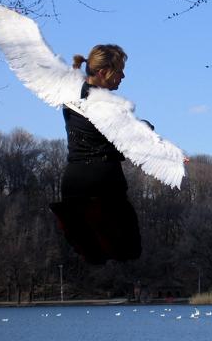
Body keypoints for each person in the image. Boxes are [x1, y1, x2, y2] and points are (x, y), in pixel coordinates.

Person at [50, 44, 143, 265]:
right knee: (129, 249)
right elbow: (130, 139)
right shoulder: (105, 105)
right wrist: (148, 129)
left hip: (73, 182)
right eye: (119, 71)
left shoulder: (71, 94)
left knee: (94, 253)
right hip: (103, 183)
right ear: (103, 72)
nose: (123, 76)